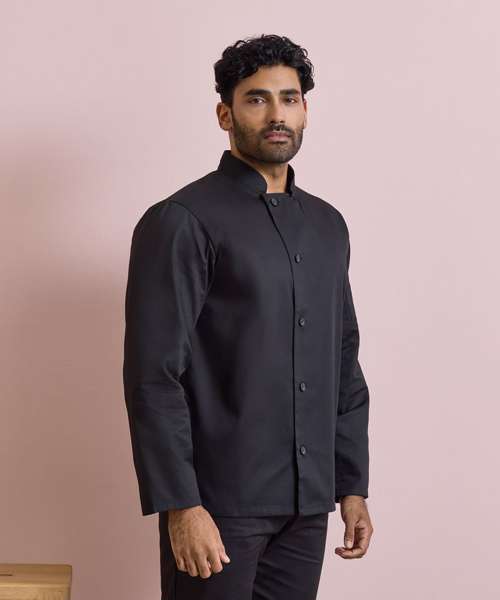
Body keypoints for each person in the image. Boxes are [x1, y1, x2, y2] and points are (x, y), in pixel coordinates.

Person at [123, 33, 374, 600]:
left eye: (289, 98)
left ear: (305, 110)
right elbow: (152, 376)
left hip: (307, 506)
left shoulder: (328, 226)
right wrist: (182, 505)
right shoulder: (182, 220)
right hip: (218, 506)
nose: (276, 114)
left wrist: (351, 485)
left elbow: (343, 362)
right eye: (257, 99)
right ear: (225, 114)